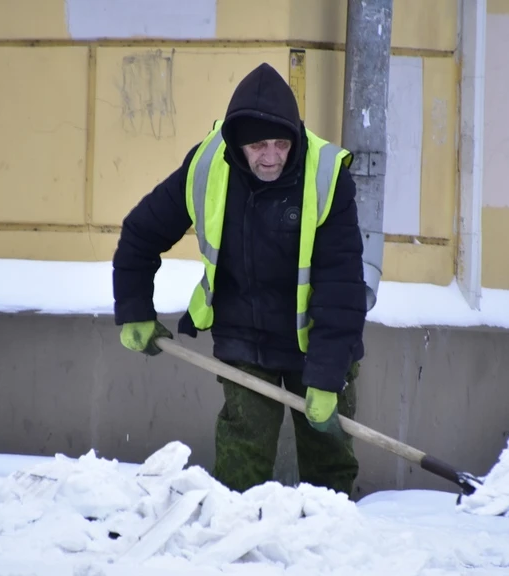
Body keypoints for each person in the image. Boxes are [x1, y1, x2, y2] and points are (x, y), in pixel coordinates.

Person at [111, 62, 367, 497]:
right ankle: (233, 535)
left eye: (281, 143)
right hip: (245, 338)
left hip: (316, 340)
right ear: (237, 144)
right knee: (240, 465)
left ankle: (329, 537)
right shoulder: (208, 166)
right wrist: (134, 309)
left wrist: (326, 377)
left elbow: (341, 287)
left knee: (329, 468)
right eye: (258, 145)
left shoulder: (326, 178)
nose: (271, 157)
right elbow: (141, 232)